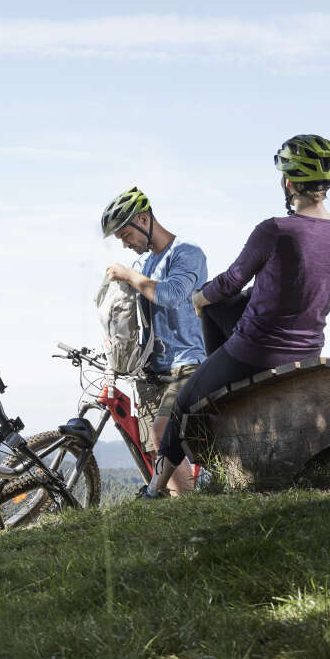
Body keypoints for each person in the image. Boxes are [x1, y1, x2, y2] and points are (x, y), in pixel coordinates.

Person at [147, 135, 330, 495]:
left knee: (182, 402)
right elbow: (305, 285)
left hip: (258, 348)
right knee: (220, 308)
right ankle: (223, 381)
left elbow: (229, 282)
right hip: (308, 346)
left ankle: (153, 489)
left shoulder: (274, 229)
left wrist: (198, 298)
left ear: (288, 182)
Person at [100, 186, 208, 495]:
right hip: (151, 369)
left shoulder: (186, 252)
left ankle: (188, 508)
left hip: (185, 364)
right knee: (157, 449)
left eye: (125, 235)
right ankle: (185, 510)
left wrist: (129, 277)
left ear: (144, 220)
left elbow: (173, 295)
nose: (125, 243)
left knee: (164, 435)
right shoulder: (145, 264)